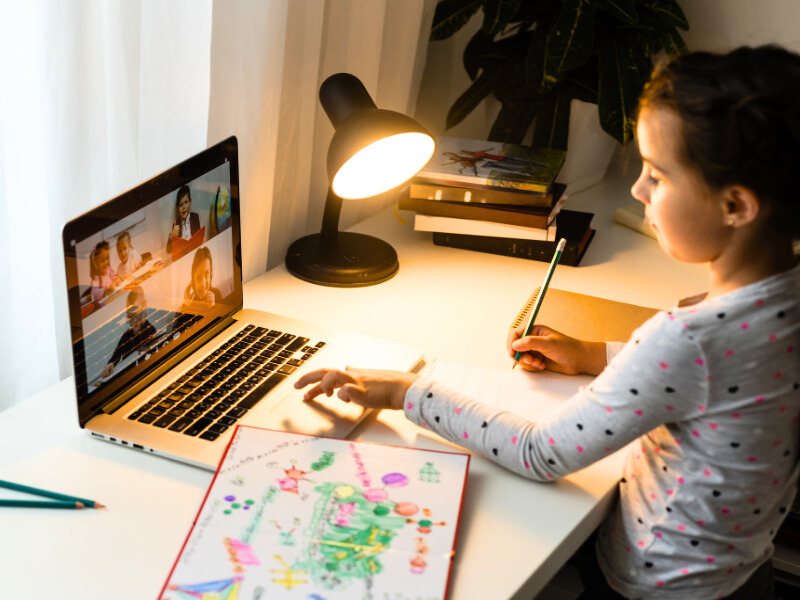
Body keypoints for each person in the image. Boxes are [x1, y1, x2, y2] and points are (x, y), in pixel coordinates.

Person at [294, 45, 800, 600]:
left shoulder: (687, 341)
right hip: (744, 573)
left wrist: (409, 390)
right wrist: (592, 357)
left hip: (656, 583)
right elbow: (723, 384)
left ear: (737, 205)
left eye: (657, 175)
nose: (637, 190)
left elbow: (542, 453)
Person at [101, 286, 156, 378]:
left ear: (144, 305)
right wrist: (110, 365)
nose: (134, 320)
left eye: (137, 313)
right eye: (130, 316)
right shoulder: (126, 335)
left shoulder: (151, 331)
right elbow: (116, 356)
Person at [180, 246, 222, 314]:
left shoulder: (217, 294)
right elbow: (178, 322)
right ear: (193, 281)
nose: (203, 284)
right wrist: (186, 303)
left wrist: (212, 306)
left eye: (206, 274)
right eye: (198, 277)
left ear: (211, 274)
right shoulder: (192, 302)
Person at [166, 185, 201, 254]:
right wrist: (172, 236)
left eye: (186, 202)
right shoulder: (176, 224)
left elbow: (199, 237)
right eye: (181, 205)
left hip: (195, 253)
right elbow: (168, 251)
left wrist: (202, 241)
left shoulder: (195, 217)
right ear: (177, 208)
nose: (184, 207)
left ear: (190, 202)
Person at [89, 240, 122, 305]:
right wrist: (105, 290)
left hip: (113, 298)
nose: (105, 262)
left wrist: (117, 279)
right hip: (105, 304)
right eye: (102, 260)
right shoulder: (96, 278)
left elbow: (114, 276)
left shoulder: (108, 270)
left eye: (107, 258)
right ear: (96, 261)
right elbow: (95, 293)